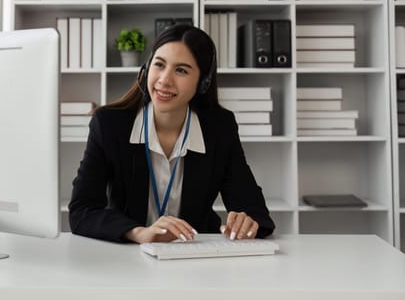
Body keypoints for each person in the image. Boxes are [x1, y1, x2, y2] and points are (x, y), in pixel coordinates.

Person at [69, 24, 275, 244]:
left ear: (203, 83)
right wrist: (138, 232)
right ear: (146, 69)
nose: (164, 80)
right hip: (128, 255)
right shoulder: (110, 125)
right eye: (159, 65)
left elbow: (256, 213)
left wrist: (247, 221)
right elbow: (82, 211)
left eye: (181, 70)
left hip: (193, 255)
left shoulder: (219, 128)